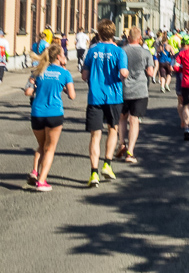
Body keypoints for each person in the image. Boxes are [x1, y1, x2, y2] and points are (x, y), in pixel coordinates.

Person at [81, 19, 129, 187]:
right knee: (113, 130)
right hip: (114, 97)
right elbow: (124, 72)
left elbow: (84, 76)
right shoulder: (119, 51)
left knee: (95, 135)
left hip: (95, 97)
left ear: (99, 34)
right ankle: (107, 165)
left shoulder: (92, 50)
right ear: (113, 33)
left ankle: (93, 173)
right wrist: (124, 73)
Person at [23, 43, 74, 191]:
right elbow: (72, 95)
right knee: (50, 148)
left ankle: (35, 171)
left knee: (41, 145)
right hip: (54, 114)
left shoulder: (38, 71)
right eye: (63, 54)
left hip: (37, 113)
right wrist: (62, 86)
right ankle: (42, 181)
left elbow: (27, 91)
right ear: (58, 57)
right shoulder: (65, 74)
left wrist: (36, 87)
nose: (65, 56)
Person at [118, 27, 154, 164]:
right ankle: (130, 152)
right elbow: (150, 72)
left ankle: (121, 143)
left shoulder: (121, 51)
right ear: (140, 39)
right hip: (139, 90)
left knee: (122, 118)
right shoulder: (145, 52)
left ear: (128, 38)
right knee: (134, 120)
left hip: (123, 89)